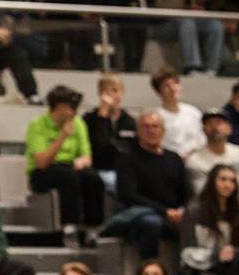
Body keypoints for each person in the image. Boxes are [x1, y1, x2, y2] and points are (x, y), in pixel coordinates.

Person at [26, 85, 106, 246]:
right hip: (43, 172)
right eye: (72, 107)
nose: (76, 112)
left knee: (93, 177)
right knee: (68, 177)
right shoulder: (38, 125)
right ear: (60, 107)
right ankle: (69, 228)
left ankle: (93, 228)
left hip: (71, 167)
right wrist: (63, 135)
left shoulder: (79, 123)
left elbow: (87, 156)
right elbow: (42, 162)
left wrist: (82, 161)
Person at [112, 111, 191, 260]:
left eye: (155, 126)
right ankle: (149, 268)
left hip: (172, 217)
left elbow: (186, 193)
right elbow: (128, 195)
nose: (151, 131)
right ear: (137, 131)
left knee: (195, 222)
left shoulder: (174, 159)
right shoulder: (127, 158)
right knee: (151, 223)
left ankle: (192, 269)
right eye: (146, 126)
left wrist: (181, 213)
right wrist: (165, 211)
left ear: (163, 130)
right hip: (140, 217)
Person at [180, 164, 239, 275]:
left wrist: (232, 252)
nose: (228, 184)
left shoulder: (236, 211)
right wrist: (216, 255)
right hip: (201, 267)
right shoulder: (194, 210)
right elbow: (186, 252)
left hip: (231, 266)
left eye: (232, 181)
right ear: (212, 181)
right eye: (223, 179)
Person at [82, 74, 137, 194]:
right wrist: (102, 116)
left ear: (122, 92)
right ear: (100, 94)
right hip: (99, 169)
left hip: (125, 170)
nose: (112, 96)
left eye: (115, 91)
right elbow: (100, 147)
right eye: (107, 92)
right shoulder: (89, 120)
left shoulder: (130, 122)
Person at [104, 0, 155, 72]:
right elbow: (115, 6)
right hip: (124, 23)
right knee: (129, 41)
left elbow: (152, 0)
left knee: (141, 41)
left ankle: (137, 66)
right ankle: (129, 67)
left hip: (142, 23)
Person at [151, 66, 206, 159]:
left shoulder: (194, 113)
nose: (173, 89)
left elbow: (202, 141)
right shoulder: (155, 116)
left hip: (194, 161)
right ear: (158, 92)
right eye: (167, 86)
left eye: (175, 84)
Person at [186, 110, 239, 194]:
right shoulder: (195, 160)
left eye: (219, 123)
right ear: (203, 129)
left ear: (229, 128)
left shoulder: (237, 153)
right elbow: (202, 192)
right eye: (210, 123)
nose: (215, 127)